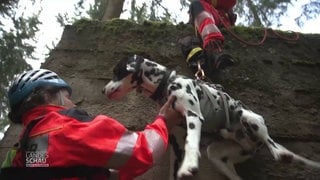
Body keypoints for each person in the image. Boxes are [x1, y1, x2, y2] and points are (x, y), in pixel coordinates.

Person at [0, 69, 183, 180]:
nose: (73, 104)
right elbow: (144, 151)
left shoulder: (24, 150)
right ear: (48, 95)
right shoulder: (66, 128)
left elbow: (65, 172)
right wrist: (164, 122)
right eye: (68, 97)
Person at [180, 0, 237, 73]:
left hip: (220, 18)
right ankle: (199, 58)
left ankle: (215, 49)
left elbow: (231, 2)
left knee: (196, 5)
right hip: (202, 19)